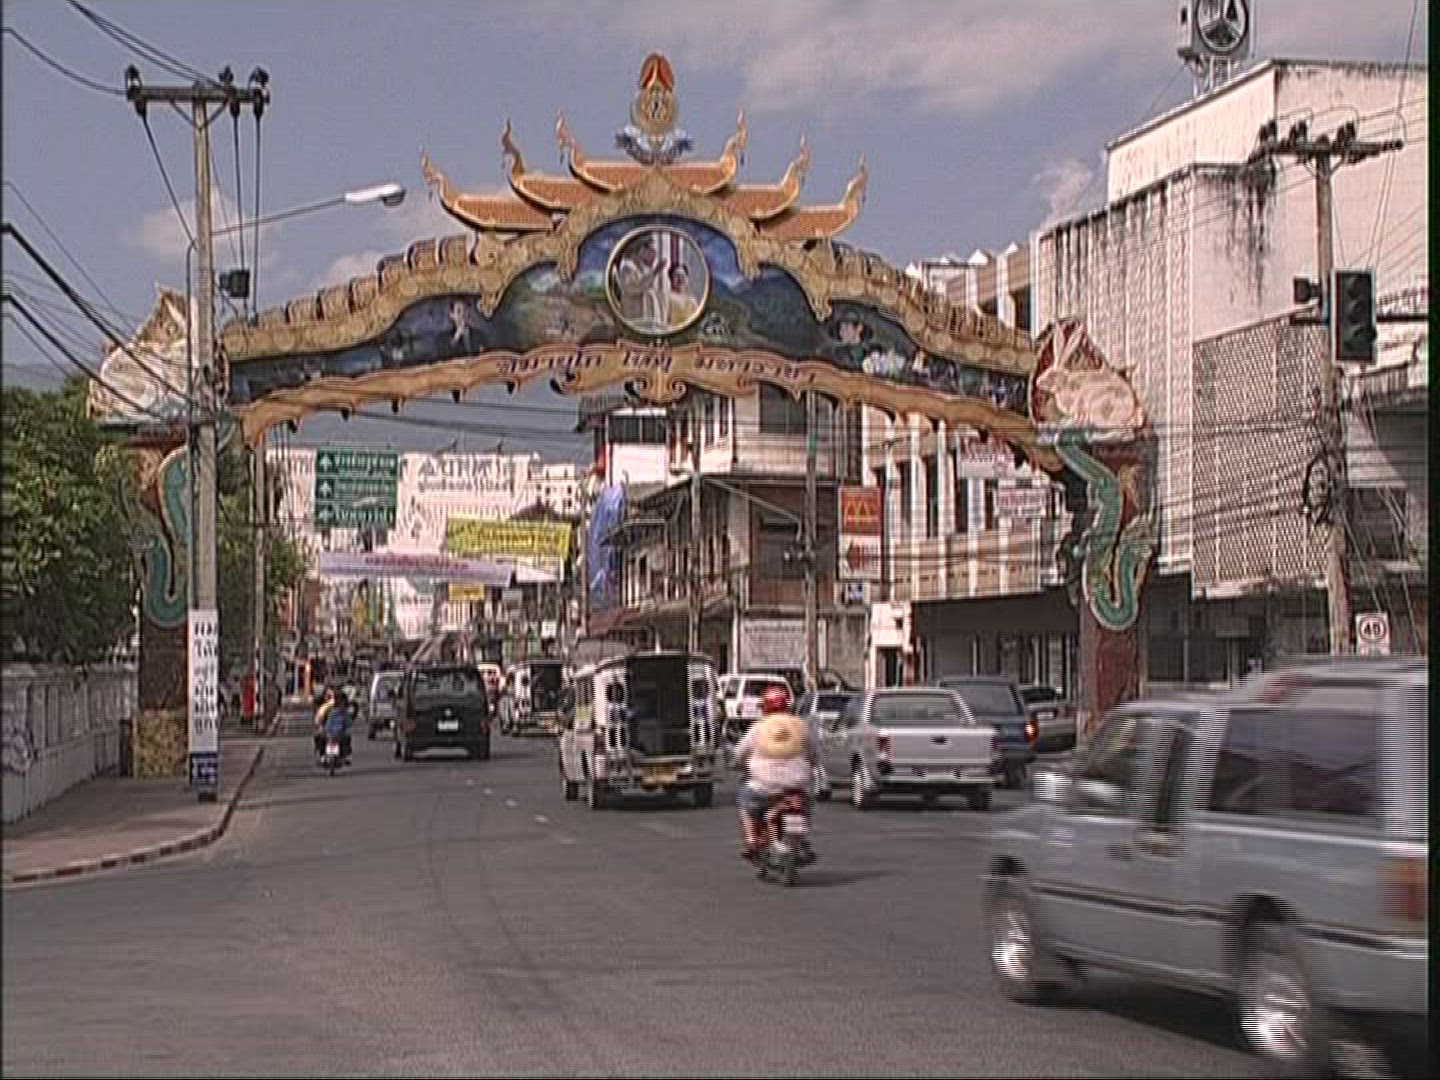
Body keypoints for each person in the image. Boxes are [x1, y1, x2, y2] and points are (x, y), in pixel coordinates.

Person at [731, 685, 819, 858]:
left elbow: (740, 753)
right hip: (797, 785)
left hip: (764, 786)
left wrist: (736, 763)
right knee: (805, 804)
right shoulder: (801, 726)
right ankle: (801, 839)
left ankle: (752, 840)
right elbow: (814, 754)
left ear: (764, 707)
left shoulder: (758, 728)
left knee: (744, 800)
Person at [313, 686, 354, 763]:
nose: (330, 698)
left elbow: (347, 719)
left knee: (346, 737)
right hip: (326, 728)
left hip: (339, 729)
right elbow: (318, 718)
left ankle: (346, 755)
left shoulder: (342, 708)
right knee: (319, 737)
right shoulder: (323, 707)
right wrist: (320, 726)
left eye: (332, 696)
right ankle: (321, 754)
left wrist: (346, 726)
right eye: (328, 696)